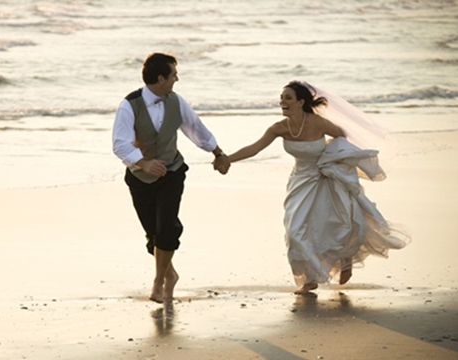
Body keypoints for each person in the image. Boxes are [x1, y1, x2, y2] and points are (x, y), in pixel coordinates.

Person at [226, 81, 410, 295]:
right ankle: (309, 278)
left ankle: (345, 259)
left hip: (325, 177)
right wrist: (227, 159)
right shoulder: (279, 128)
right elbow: (254, 148)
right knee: (295, 230)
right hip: (300, 181)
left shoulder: (318, 122)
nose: (282, 102)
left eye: (288, 98)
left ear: (301, 102)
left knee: (334, 224)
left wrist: (330, 161)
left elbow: (341, 136)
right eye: (281, 97)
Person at [112, 53, 230, 303]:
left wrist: (218, 153)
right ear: (160, 78)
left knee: (168, 227)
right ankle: (171, 274)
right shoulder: (128, 105)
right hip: (139, 177)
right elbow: (119, 144)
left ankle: (158, 284)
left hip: (172, 172)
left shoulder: (176, 101)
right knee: (153, 236)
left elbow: (195, 128)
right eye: (174, 74)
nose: (177, 78)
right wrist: (143, 162)